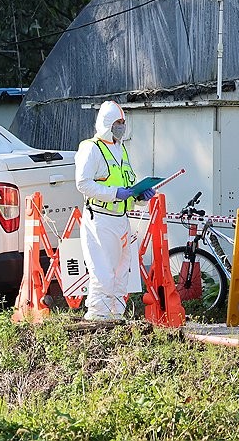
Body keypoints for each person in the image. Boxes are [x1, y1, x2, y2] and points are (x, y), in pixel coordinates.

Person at [75, 101, 155, 321]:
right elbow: (82, 184)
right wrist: (114, 193)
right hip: (100, 217)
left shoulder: (120, 148)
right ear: (107, 123)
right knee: (102, 270)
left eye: (123, 122)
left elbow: (127, 185)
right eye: (117, 122)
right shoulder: (91, 148)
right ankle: (97, 315)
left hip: (121, 218)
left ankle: (116, 314)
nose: (121, 126)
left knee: (121, 271)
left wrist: (140, 196)